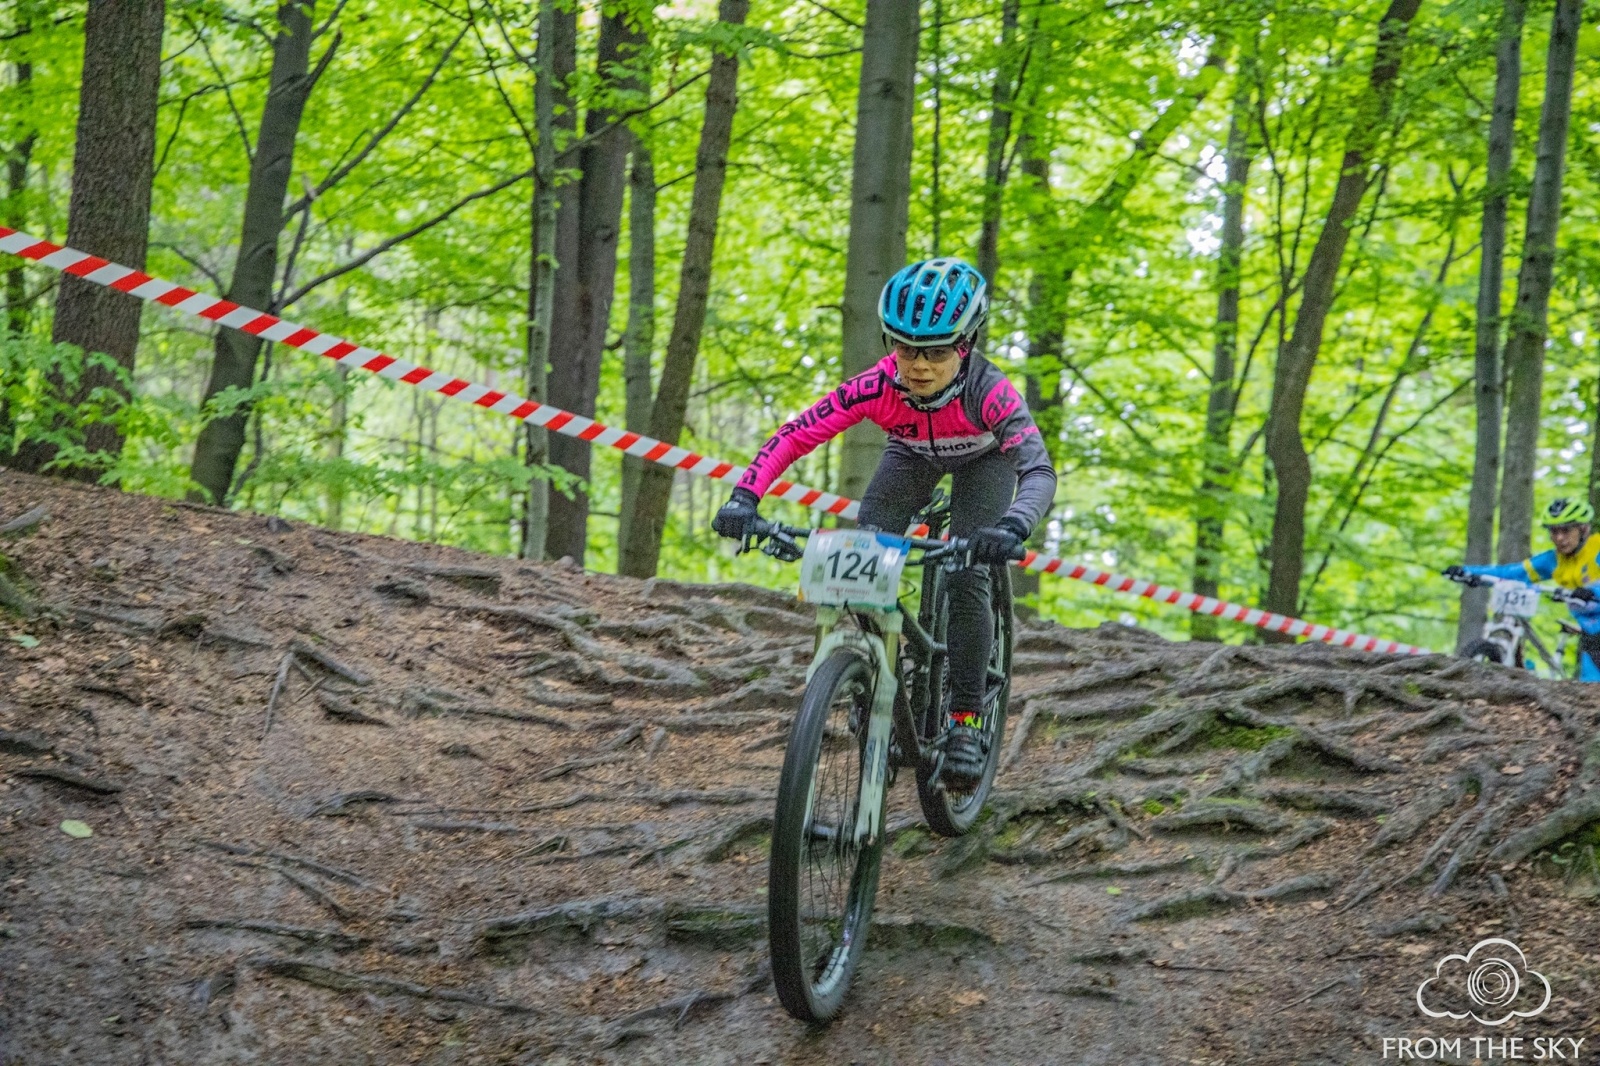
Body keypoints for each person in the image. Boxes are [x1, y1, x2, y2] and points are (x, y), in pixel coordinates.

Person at [712, 258, 1057, 790]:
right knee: (864, 561)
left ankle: (965, 720)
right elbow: (798, 433)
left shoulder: (991, 392)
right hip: (911, 455)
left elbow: (1037, 469)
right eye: (903, 347)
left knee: (968, 578)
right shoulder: (876, 385)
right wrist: (745, 496)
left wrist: (1014, 524)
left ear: (964, 346)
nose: (917, 365)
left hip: (984, 464)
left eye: (936, 351)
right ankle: (877, 678)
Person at [1446, 497, 1600, 680]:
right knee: (1590, 686)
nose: (1559, 538)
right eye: (1554, 531)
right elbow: (1513, 573)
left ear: (1583, 529)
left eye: (1566, 530)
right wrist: (1468, 573)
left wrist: (1594, 592)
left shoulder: (1596, 549)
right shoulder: (1553, 560)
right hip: (1592, 634)